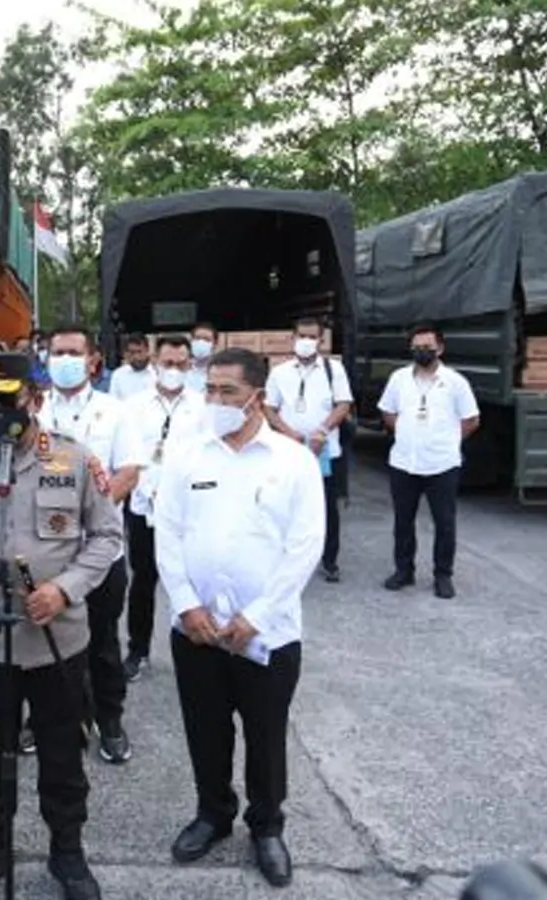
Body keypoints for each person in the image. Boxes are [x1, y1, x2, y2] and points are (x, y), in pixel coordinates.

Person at [0, 351, 124, 900]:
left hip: (58, 639)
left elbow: (107, 536)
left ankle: (68, 852)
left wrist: (65, 588)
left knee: (63, 754)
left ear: (34, 397)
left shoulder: (75, 459)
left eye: (5, 399)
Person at [153, 347, 324, 888]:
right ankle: (213, 814)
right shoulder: (187, 455)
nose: (216, 401)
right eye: (210, 390)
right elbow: (167, 533)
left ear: (258, 397)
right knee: (205, 729)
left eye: (228, 391)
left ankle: (267, 826)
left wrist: (257, 616)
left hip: (267, 634)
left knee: (266, 735)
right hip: (197, 630)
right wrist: (186, 604)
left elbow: (305, 545)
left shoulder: (292, 461)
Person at [36, 324, 136, 765]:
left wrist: (90, 512)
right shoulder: (34, 409)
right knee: (42, 638)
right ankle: (48, 718)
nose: (64, 360)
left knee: (102, 642)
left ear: (93, 361)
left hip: (99, 551)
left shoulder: (116, 412)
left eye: (73, 353)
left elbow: (128, 472)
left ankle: (109, 718)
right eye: (56, 352)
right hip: (45, 550)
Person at [116, 334, 207, 681]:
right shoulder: (133, 407)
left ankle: (198, 645)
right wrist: (148, 490)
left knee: (193, 580)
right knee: (143, 580)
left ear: (190, 365)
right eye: (168, 363)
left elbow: (206, 457)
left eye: (181, 364)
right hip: (144, 506)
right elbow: (129, 456)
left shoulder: (202, 407)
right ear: (155, 362)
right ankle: (138, 650)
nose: (174, 370)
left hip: (189, 510)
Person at [377, 322, 480, 599]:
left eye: (427, 347)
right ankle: (403, 570)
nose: (422, 351)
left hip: (442, 464)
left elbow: (471, 420)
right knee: (403, 521)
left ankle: (443, 575)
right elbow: (387, 411)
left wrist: (448, 441)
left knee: (444, 523)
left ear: (440, 348)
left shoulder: (455, 382)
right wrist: (404, 433)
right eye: (417, 347)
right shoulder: (399, 378)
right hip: (404, 462)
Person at [264, 317, 353, 583]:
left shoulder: (333, 369)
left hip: (324, 451)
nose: (306, 341)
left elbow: (343, 404)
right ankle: (285, 557)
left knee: (326, 507)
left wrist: (322, 431)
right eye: (302, 336)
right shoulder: (279, 372)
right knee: (284, 505)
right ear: (293, 338)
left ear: (321, 340)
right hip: (288, 451)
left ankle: (329, 560)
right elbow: (269, 408)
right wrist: (287, 432)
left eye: (312, 337)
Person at [107, 333, 156, 401]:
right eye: (132, 352)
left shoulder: (156, 374)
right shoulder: (118, 375)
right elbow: (113, 402)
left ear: (147, 351)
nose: (136, 357)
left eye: (139, 352)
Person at [185, 322, 218, 393]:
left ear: (214, 345)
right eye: (197, 338)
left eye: (207, 339)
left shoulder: (219, 372)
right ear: (191, 342)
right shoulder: (181, 369)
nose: (201, 342)